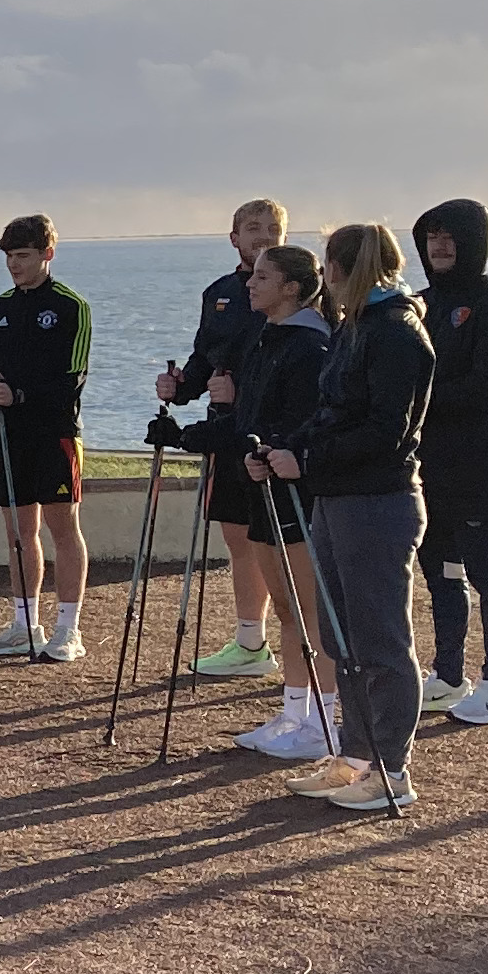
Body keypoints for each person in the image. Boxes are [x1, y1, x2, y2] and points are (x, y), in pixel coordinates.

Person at [254, 219, 432, 819]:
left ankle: (391, 768)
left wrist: (303, 457)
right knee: (341, 636)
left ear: (345, 269)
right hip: (336, 498)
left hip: (379, 502)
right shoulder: (355, 329)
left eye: (330, 265)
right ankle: (355, 753)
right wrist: (283, 449)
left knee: (382, 638)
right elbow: (330, 413)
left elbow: (387, 432)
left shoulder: (399, 334)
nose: (325, 277)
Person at [198, 240, 336, 764]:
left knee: (308, 609)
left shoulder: (309, 344)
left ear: (292, 288)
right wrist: (199, 434)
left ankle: (324, 718)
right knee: (284, 605)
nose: (250, 284)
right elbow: (249, 415)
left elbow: (304, 419)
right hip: (260, 480)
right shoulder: (267, 339)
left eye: (262, 277)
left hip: (295, 490)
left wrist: (275, 447)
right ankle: (293, 710)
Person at [155, 196, 293, 681]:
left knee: (277, 540)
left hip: (272, 433)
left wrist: (244, 391)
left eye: (272, 228)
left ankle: (302, 642)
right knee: (238, 536)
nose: (263, 236)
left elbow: (296, 362)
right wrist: (180, 387)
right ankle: (251, 641)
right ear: (234, 237)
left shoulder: (299, 292)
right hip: (225, 432)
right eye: (252, 228)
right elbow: (204, 358)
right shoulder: (218, 293)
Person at [413, 195, 488, 727]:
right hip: (427, 465)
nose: (439, 245)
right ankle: (448, 674)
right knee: (439, 568)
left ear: (472, 242)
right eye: (432, 236)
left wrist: (416, 398)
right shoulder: (418, 305)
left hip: (481, 466)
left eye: (449, 236)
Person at [0, 215, 93, 663]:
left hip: (56, 434)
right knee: (19, 533)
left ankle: (68, 628)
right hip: (9, 435)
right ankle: (24, 625)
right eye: (9, 257)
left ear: (47, 254)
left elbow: (72, 377)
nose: (14, 265)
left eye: (22, 256)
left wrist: (19, 393)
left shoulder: (71, 305)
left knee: (63, 528)